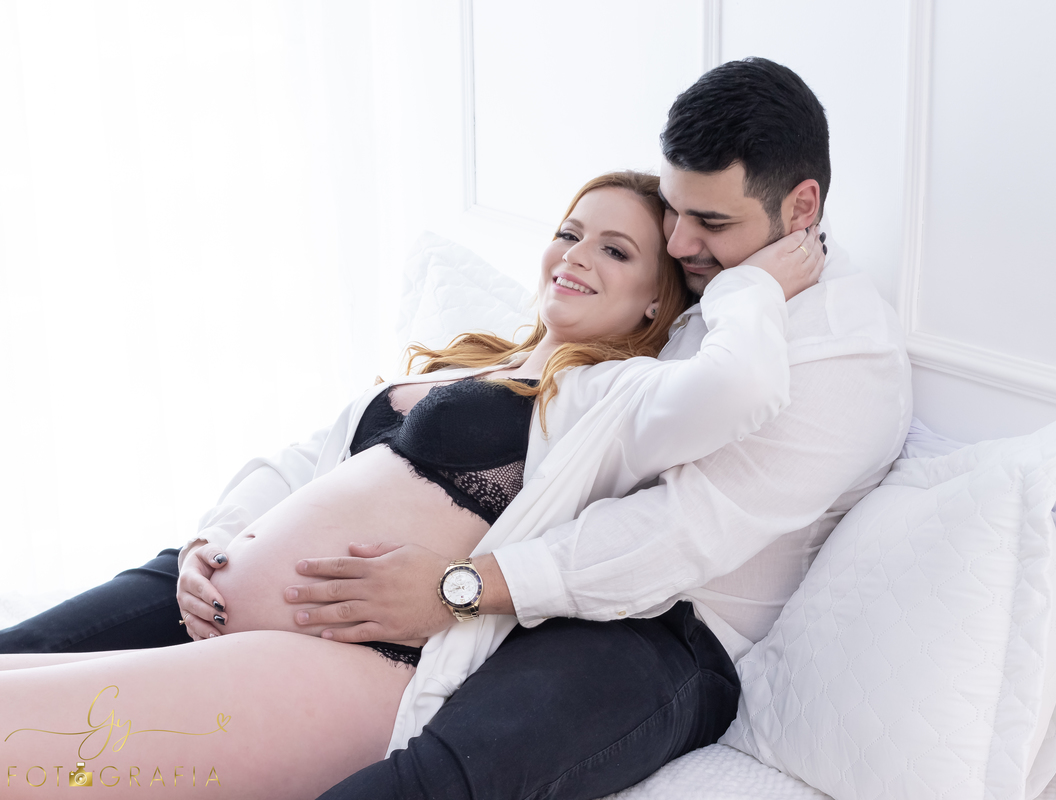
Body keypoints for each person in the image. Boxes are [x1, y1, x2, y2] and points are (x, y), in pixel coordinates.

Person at [0, 170, 824, 798]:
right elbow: (302, 459)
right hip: (232, 617)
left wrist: (749, 290)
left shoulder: (607, 403)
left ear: (657, 302)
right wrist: (218, 538)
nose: (575, 257)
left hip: (352, 666)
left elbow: (738, 390)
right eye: (569, 233)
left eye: (614, 250)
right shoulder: (473, 359)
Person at [307, 57, 913, 799]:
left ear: (802, 206)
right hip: (546, 564)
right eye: (674, 208)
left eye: (712, 222)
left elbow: (677, 534)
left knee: (436, 780)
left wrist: (459, 588)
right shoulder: (700, 279)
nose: (681, 242)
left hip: (668, 631)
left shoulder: (848, 358)